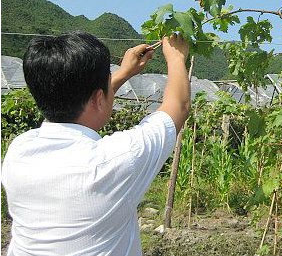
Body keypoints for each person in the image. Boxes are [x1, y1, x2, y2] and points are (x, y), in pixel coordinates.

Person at [1, 31, 190, 256]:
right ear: (99, 98)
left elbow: (79, 106)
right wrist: (176, 57)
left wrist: (122, 74)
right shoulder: (117, 160)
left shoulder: (20, 151)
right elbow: (178, 106)